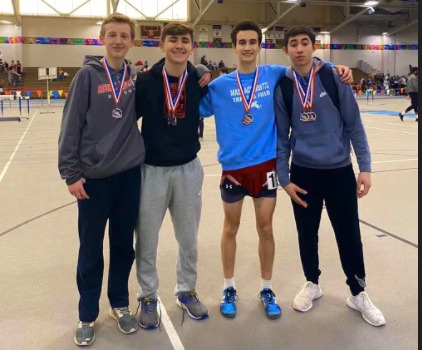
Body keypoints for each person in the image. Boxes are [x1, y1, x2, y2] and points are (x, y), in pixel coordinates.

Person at [200, 20, 353, 320]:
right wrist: (197, 73)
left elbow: (308, 63)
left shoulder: (274, 75)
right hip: (233, 169)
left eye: (252, 42)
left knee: (265, 228)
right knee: (230, 228)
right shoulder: (219, 86)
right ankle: (228, 287)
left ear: (260, 46)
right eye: (241, 42)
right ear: (234, 47)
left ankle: (266, 287)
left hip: (265, 166)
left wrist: (337, 67)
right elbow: (193, 104)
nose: (247, 47)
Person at [274, 26, 386, 327]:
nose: (299, 49)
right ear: (286, 50)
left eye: (304, 43)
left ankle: (358, 292)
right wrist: (283, 179)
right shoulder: (283, 87)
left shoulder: (334, 77)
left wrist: (365, 167)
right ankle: (312, 282)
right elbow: (282, 138)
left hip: (339, 171)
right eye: (293, 44)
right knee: (306, 233)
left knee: (349, 233)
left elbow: (354, 125)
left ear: (314, 47)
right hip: (303, 173)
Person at [58, 13, 145, 346]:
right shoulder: (86, 76)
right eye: (112, 35)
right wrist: (70, 173)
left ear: (132, 40)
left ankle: (120, 305)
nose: (119, 40)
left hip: (127, 178)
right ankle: (87, 314)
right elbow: (70, 127)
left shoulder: (136, 78)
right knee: (91, 250)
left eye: (124, 35)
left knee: (124, 246)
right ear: (102, 39)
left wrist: (203, 70)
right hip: (92, 180)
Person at [134, 22, 210, 329]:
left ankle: (186, 290)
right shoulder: (146, 81)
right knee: (147, 240)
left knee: (188, 239)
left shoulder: (199, 79)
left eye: (185, 41)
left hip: (188, 169)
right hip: (151, 170)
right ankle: (148, 295)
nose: (179, 45)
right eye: (173, 40)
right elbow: (127, 123)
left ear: (191, 46)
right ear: (162, 45)